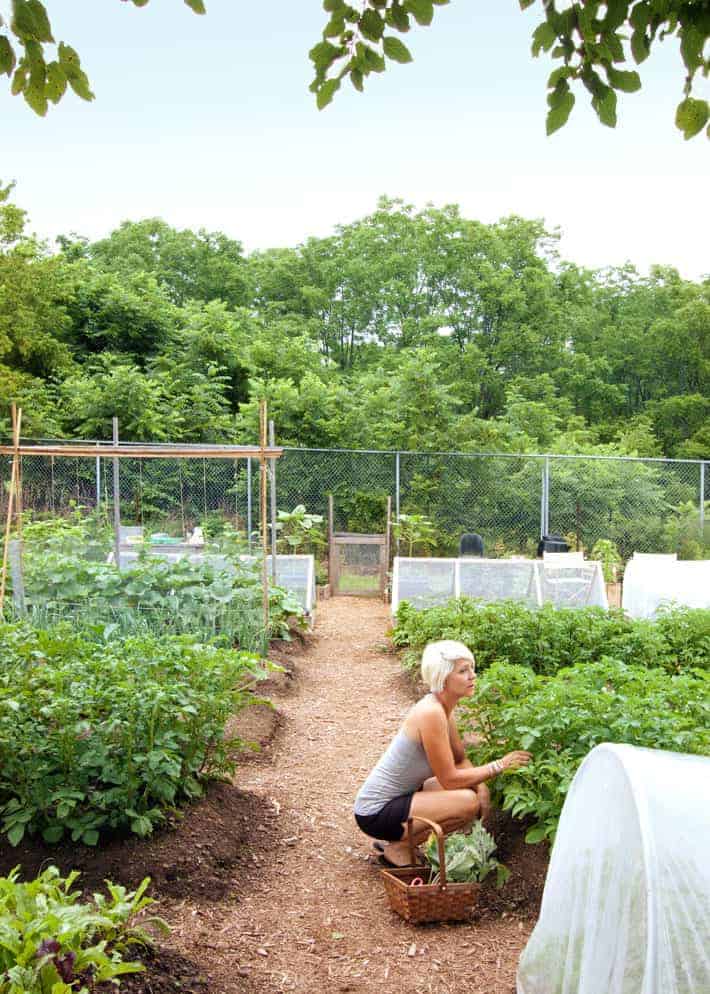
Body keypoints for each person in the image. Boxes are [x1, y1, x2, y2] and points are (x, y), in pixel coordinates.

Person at [353, 639, 532, 867]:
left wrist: (482, 787)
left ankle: (401, 844)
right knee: (467, 802)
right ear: (443, 677)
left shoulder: (443, 709)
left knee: (472, 791)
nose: (473, 676)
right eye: (463, 671)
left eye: (472, 669)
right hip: (375, 812)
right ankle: (398, 847)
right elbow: (449, 778)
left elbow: (460, 759)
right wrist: (499, 766)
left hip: (401, 798)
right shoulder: (431, 713)